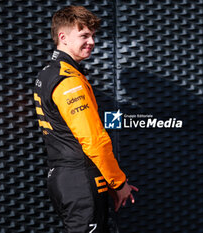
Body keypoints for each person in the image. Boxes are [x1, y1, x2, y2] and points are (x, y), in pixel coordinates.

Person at [33, 5, 138, 233]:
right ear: (63, 37)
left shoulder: (47, 73)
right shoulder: (69, 80)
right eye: (84, 35)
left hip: (64, 178)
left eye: (93, 36)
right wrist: (118, 183)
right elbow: (94, 141)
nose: (92, 42)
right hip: (80, 180)